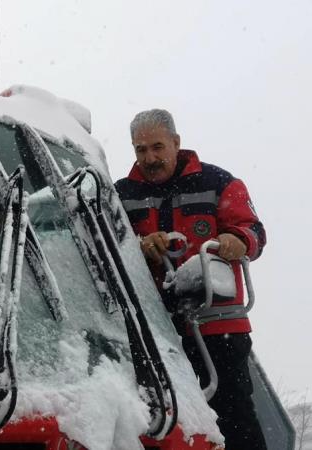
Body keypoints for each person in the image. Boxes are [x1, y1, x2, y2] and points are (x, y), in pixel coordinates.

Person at [114, 109, 267, 450]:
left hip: (219, 323)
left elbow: (254, 230)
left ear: (176, 142)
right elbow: (104, 246)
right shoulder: (120, 194)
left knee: (235, 414)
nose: (150, 158)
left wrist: (237, 240)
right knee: (160, 420)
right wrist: (139, 246)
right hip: (155, 330)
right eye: (140, 150)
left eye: (157, 147)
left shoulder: (218, 182)